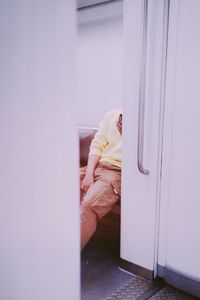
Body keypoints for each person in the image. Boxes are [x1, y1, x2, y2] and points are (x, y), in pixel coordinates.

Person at [80, 109, 122, 250]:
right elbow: (97, 144)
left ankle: (67, 258)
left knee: (89, 205)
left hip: (117, 171)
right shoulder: (111, 115)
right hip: (96, 165)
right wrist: (88, 174)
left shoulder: (145, 124)